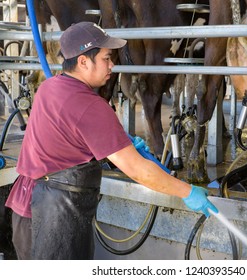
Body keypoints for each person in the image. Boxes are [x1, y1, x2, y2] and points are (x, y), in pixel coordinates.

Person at [5, 21, 218, 260]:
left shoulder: (49, 88)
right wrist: (187, 192)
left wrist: (113, 139)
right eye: (106, 58)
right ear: (83, 61)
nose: (112, 65)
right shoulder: (91, 106)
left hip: (26, 210)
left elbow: (67, 138)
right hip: (55, 220)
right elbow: (139, 171)